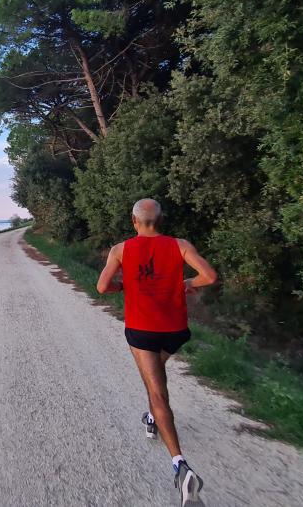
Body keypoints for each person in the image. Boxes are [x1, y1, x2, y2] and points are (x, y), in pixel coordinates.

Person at [96, 198, 217, 506]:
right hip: (176, 331)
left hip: (142, 330)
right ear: (160, 219)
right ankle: (151, 418)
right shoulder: (180, 245)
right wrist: (189, 282)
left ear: (134, 221)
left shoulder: (120, 249)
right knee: (156, 379)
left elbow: (102, 286)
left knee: (157, 389)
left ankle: (181, 466)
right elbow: (210, 277)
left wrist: (120, 288)